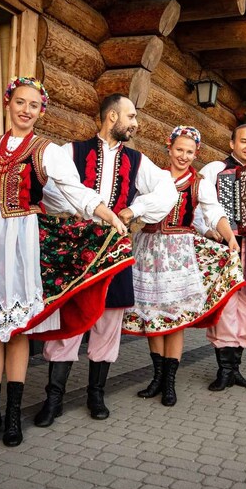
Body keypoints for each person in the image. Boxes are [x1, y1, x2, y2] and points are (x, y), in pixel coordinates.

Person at [0, 78, 128, 449]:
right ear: (8, 103)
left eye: (34, 105)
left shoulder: (47, 151)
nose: (26, 110)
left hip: (21, 238)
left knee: (18, 329)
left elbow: (75, 192)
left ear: (41, 112)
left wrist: (106, 214)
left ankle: (13, 417)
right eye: (20, 102)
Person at [33, 93, 177, 427]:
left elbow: (167, 191)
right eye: (131, 116)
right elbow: (52, 190)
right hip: (77, 249)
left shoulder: (138, 161)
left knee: (109, 322)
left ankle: (95, 395)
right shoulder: (71, 152)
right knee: (69, 320)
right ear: (112, 117)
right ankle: (53, 398)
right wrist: (76, 211)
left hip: (114, 248)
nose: (135, 124)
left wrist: (132, 210)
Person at [122, 126, 245, 406]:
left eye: (190, 152)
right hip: (150, 248)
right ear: (170, 148)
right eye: (180, 149)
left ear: (196, 153)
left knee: (175, 317)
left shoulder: (199, 182)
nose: (184, 156)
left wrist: (230, 237)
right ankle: (156, 377)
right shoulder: (156, 177)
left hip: (179, 253)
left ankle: (169, 382)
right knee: (151, 315)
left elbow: (214, 213)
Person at [194, 125, 246, 392]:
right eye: (244, 141)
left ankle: (235, 369)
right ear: (232, 143)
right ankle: (224, 371)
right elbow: (199, 204)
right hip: (225, 247)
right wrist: (207, 229)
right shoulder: (216, 169)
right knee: (225, 310)